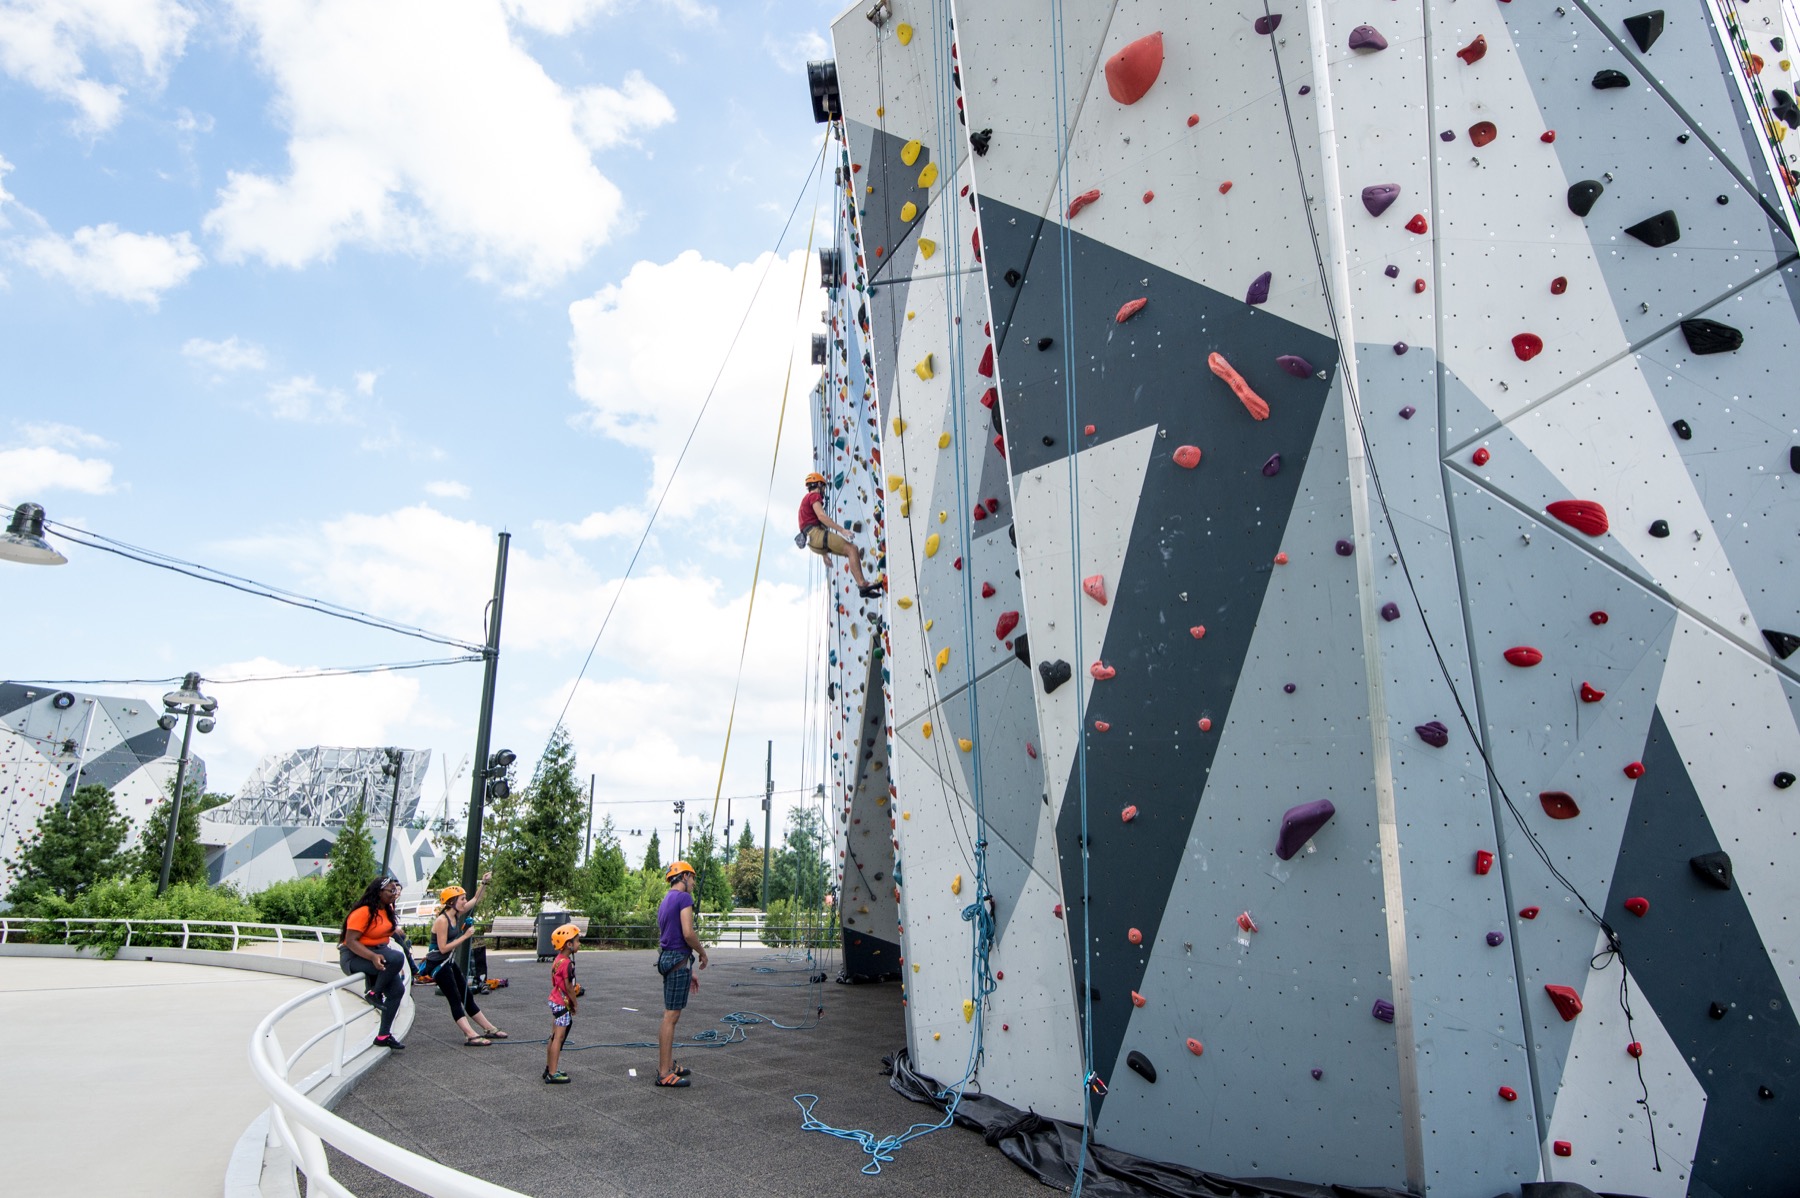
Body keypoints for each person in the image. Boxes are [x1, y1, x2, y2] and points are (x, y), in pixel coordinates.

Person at [424, 873, 509, 1046]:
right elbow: (442, 948)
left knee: (466, 994)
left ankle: (488, 1028)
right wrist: (465, 936)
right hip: (437, 964)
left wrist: (484, 882)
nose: (464, 901)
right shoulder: (442, 920)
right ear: (451, 902)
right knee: (455, 997)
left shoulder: (456, 915)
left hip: (447, 962)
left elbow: (476, 899)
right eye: (462, 899)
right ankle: (470, 1034)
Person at [654, 860, 709, 1088]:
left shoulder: (665, 900)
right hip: (677, 959)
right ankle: (665, 1073)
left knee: (670, 1015)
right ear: (684, 876)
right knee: (671, 1017)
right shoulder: (684, 898)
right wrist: (702, 952)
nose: (694, 883)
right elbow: (687, 933)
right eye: (693, 878)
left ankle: (666, 1064)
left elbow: (672, 934)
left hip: (668, 959)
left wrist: (688, 970)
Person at [339, 875, 408, 1050]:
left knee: (398, 990)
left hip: (376, 952)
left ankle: (383, 1035)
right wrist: (372, 956)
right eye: (391, 890)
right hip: (354, 957)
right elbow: (351, 941)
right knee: (397, 958)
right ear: (379, 892)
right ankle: (373, 993)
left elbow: (383, 932)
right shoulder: (362, 912)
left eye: (396, 890)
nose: (394, 893)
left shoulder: (386, 910)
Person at [798, 471, 884, 598]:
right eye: (823, 487)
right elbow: (821, 516)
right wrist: (842, 530)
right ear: (818, 484)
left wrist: (824, 554)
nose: (823, 491)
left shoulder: (804, 504)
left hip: (812, 542)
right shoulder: (813, 496)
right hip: (816, 535)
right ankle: (862, 584)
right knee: (852, 549)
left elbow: (813, 525)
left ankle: (863, 586)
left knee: (851, 552)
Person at [544, 922, 582, 1084]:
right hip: (562, 1003)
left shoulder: (558, 959)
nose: (579, 944)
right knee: (559, 1038)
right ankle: (552, 1073)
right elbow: (568, 986)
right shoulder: (566, 963)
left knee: (553, 1037)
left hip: (555, 1000)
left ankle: (549, 1068)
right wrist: (574, 1003)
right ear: (569, 944)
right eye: (577, 941)